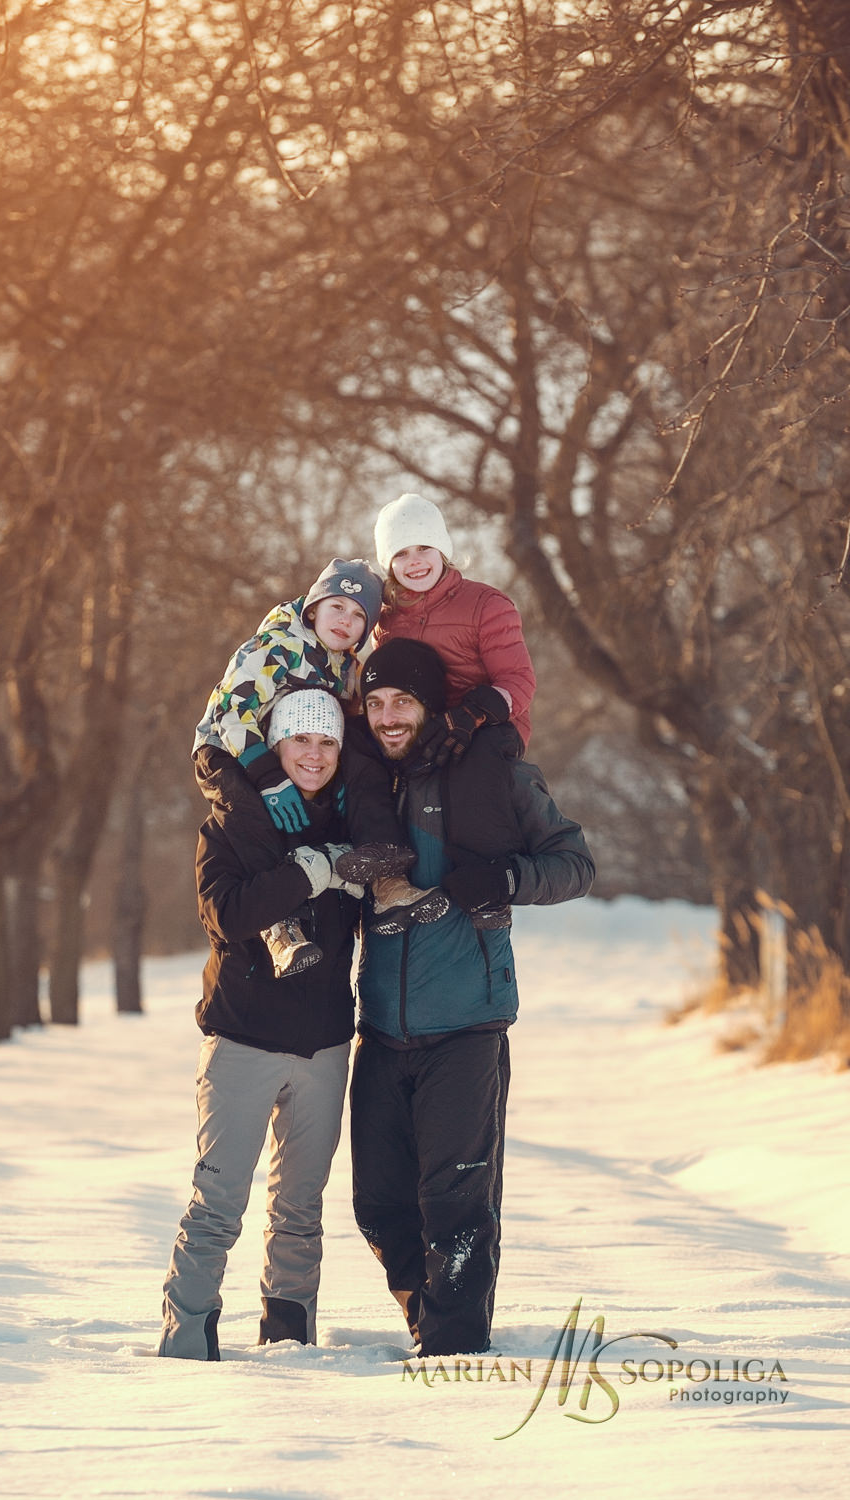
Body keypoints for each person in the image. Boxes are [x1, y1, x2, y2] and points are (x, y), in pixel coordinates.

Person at [347, 638, 595, 1358]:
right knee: (379, 1205)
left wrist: (507, 879)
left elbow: (574, 864)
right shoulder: (363, 786)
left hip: (467, 1027)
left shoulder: (497, 776)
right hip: (381, 1031)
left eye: (404, 702)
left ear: (432, 707)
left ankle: (453, 1352)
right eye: (378, 703)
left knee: (457, 1205)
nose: (390, 717)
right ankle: (430, 1321)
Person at [159, 689, 364, 1361]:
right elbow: (226, 914)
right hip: (241, 1040)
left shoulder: (351, 822)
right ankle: (186, 1339)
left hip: (323, 1044)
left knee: (301, 1208)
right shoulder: (231, 825)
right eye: (301, 741)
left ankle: (289, 1337)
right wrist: (312, 874)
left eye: (327, 742)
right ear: (276, 747)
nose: (314, 754)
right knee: (217, 1206)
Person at [194, 557, 446, 980]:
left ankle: (384, 871)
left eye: (358, 616)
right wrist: (267, 776)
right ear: (314, 608)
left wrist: (353, 777)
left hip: (295, 750)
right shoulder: (275, 646)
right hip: (229, 750)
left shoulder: (347, 667)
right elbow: (232, 712)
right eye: (337, 607)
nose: (346, 620)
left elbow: (350, 723)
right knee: (251, 813)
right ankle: (279, 925)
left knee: (361, 754)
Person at [371, 491, 536, 760]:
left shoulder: (486, 605)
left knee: (468, 776)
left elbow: (518, 679)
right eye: (401, 553)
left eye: (424, 548)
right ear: (389, 565)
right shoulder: (387, 619)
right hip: (421, 729)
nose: (415, 560)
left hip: (489, 728)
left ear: (442, 551)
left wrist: (472, 714)